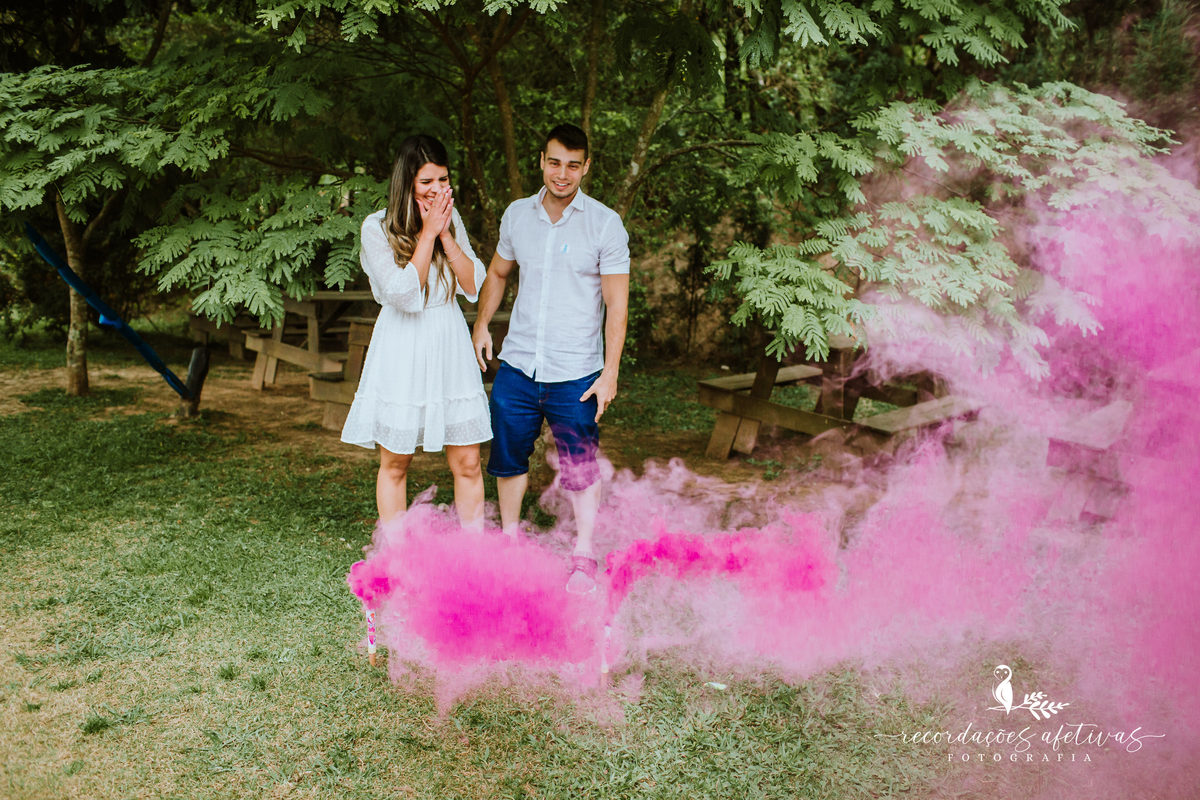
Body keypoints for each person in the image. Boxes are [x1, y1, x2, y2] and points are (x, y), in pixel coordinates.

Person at [472, 123, 630, 594]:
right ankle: (508, 542)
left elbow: (617, 305)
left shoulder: (605, 224)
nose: (563, 174)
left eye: (573, 165)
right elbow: (498, 273)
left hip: (577, 371)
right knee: (507, 456)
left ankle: (582, 554)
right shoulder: (518, 216)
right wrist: (482, 323)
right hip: (519, 365)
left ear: (587, 167)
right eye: (555, 162)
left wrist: (611, 372)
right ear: (541, 160)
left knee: (579, 462)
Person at [342, 134, 491, 530]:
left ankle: (474, 555)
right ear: (406, 181)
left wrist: (444, 234)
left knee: (469, 461)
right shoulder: (376, 228)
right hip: (402, 343)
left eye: (443, 180)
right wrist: (426, 235)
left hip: (448, 338)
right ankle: (398, 555)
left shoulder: (451, 220)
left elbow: (475, 283)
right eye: (427, 182)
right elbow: (405, 295)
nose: (438, 190)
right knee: (395, 461)